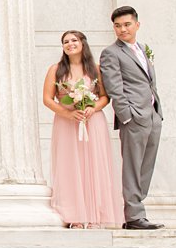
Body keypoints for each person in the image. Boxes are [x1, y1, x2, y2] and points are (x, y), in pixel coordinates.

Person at [43, 30, 123, 229]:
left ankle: (95, 217)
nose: (70, 44)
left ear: (82, 43)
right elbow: (47, 99)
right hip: (66, 123)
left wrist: (92, 108)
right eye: (65, 41)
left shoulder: (95, 70)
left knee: (94, 166)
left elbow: (105, 97)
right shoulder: (56, 70)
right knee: (69, 167)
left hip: (92, 122)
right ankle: (74, 217)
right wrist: (68, 113)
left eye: (73, 40)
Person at [99, 6, 163, 229]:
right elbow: (114, 87)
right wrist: (127, 115)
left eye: (126, 24)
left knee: (146, 166)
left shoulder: (144, 49)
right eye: (117, 26)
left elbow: (148, 82)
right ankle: (134, 216)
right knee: (133, 166)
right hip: (134, 117)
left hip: (153, 115)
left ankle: (137, 208)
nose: (122, 29)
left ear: (137, 24)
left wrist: (156, 113)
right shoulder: (111, 53)